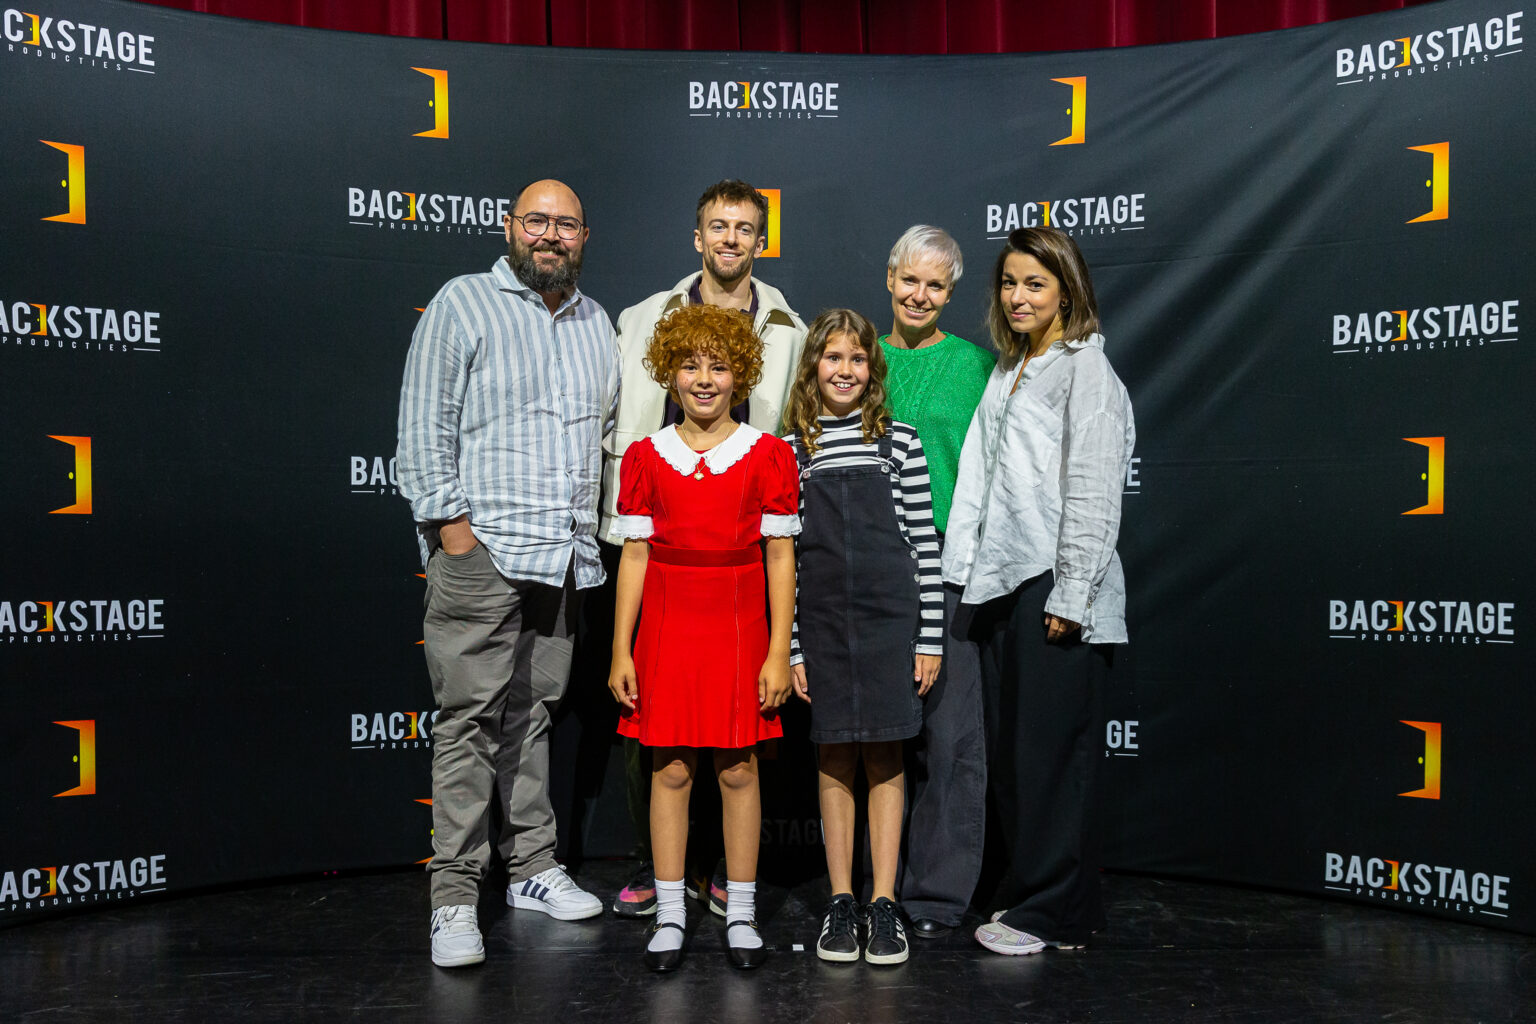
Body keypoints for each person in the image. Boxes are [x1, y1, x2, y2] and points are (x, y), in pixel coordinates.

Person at [397, 179, 620, 969]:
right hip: (484, 555)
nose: (550, 235)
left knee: (532, 718)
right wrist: (456, 536)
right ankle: (455, 897)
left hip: (563, 559)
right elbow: (422, 434)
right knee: (467, 725)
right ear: (509, 227)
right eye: (537, 221)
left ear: (584, 237)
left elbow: (606, 443)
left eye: (565, 224)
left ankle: (530, 868)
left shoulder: (597, 322)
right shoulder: (462, 303)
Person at [599, 179, 807, 919]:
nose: (729, 239)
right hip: (661, 548)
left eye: (744, 228)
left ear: (759, 239)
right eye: (717, 226)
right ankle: (669, 879)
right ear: (698, 236)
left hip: (745, 550)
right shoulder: (640, 319)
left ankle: (730, 880)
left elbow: (799, 428)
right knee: (657, 747)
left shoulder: (790, 326)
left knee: (742, 748)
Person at [944, 226, 1134, 955]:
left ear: (1067, 291)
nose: (1018, 296)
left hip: (1056, 588)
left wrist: (1072, 593)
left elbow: (1092, 490)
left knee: (1054, 757)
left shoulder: (1086, 372)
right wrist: (963, 575)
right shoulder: (1011, 368)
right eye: (1009, 283)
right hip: (1004, 584)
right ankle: (1055, 904)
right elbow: (985, 479)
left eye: (1035, 284)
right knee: (1020, 758)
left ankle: (1049, 911)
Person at [783, 309, 943, 966]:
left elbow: (924, 547)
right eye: (832, 358)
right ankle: (842, 901)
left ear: (871, 370)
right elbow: (785, 559)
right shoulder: (793, 451)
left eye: (856, 359)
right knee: (833, 758)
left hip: (888, 623)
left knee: (884, 758)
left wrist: (928, 636)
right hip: (823, 624)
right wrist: (793, 645)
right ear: (813, 367)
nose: (844, 370)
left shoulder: (898, 442)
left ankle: (883, 902)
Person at [877, 225, 995, 939]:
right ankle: (871, 888)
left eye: (936, 285)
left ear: (951, 294)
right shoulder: (856, 356)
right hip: (871, 570)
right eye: (910, 279)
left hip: (951, 567)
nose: (920, 294)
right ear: (890, 278)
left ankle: (938, 896)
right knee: (873, 739)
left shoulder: (979, 366)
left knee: (952, 740)